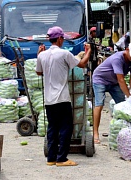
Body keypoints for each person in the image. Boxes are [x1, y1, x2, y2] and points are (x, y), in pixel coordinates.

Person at [36, 26, 91, 166]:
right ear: (59, 39)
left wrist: (38, 55)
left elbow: (39, 72)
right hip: (62, 98)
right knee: (66, 127)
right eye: (63, 39)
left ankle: (51, 159)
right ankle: (62, 159)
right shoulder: (64, 54)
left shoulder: (42, 55)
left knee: (52, 128)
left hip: (49, 99)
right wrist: (88, 51)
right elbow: (82, 64)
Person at [92, 41, 131, 144]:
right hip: (100, 79)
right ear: (127, 50)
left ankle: (123, 131)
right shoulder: (117, 58)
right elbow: (121, 80)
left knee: (123, 105)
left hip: (113, 82)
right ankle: (95, 133)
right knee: (99, 104)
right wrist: (128, 95)